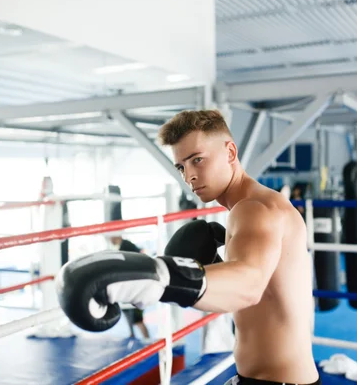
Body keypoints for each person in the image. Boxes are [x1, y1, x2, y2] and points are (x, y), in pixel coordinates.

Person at [56, 109, 320, 385]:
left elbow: (250, 286)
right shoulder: (253, 207)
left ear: (230, 152)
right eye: (182, 166)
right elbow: (256, 298)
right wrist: (214, 271)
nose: (189, 176)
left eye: (198, 160)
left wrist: (158, 275)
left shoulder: (254, 209)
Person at [109, 235, 151, 340]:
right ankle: (132, 335)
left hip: (138, 288)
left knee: (137, 319)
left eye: (110, 237)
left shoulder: (126, 247)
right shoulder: (124, 247)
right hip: (130, 288)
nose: (110, 240)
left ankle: (147, 340)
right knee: (127, 312)